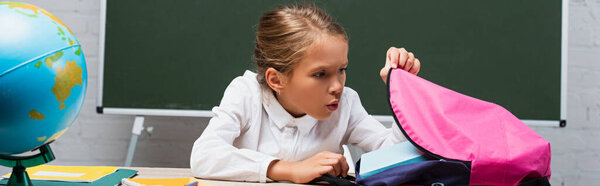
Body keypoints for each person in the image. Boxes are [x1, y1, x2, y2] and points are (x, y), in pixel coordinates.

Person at [190, 3, 421, 183]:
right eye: (320, 74)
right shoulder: (247, 94)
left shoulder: (346, 104)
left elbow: (397, 158)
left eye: (341, 70)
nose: (337, 86)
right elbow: (204, 156)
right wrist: (288, 170)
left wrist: (402, 90)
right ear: (276, 79)